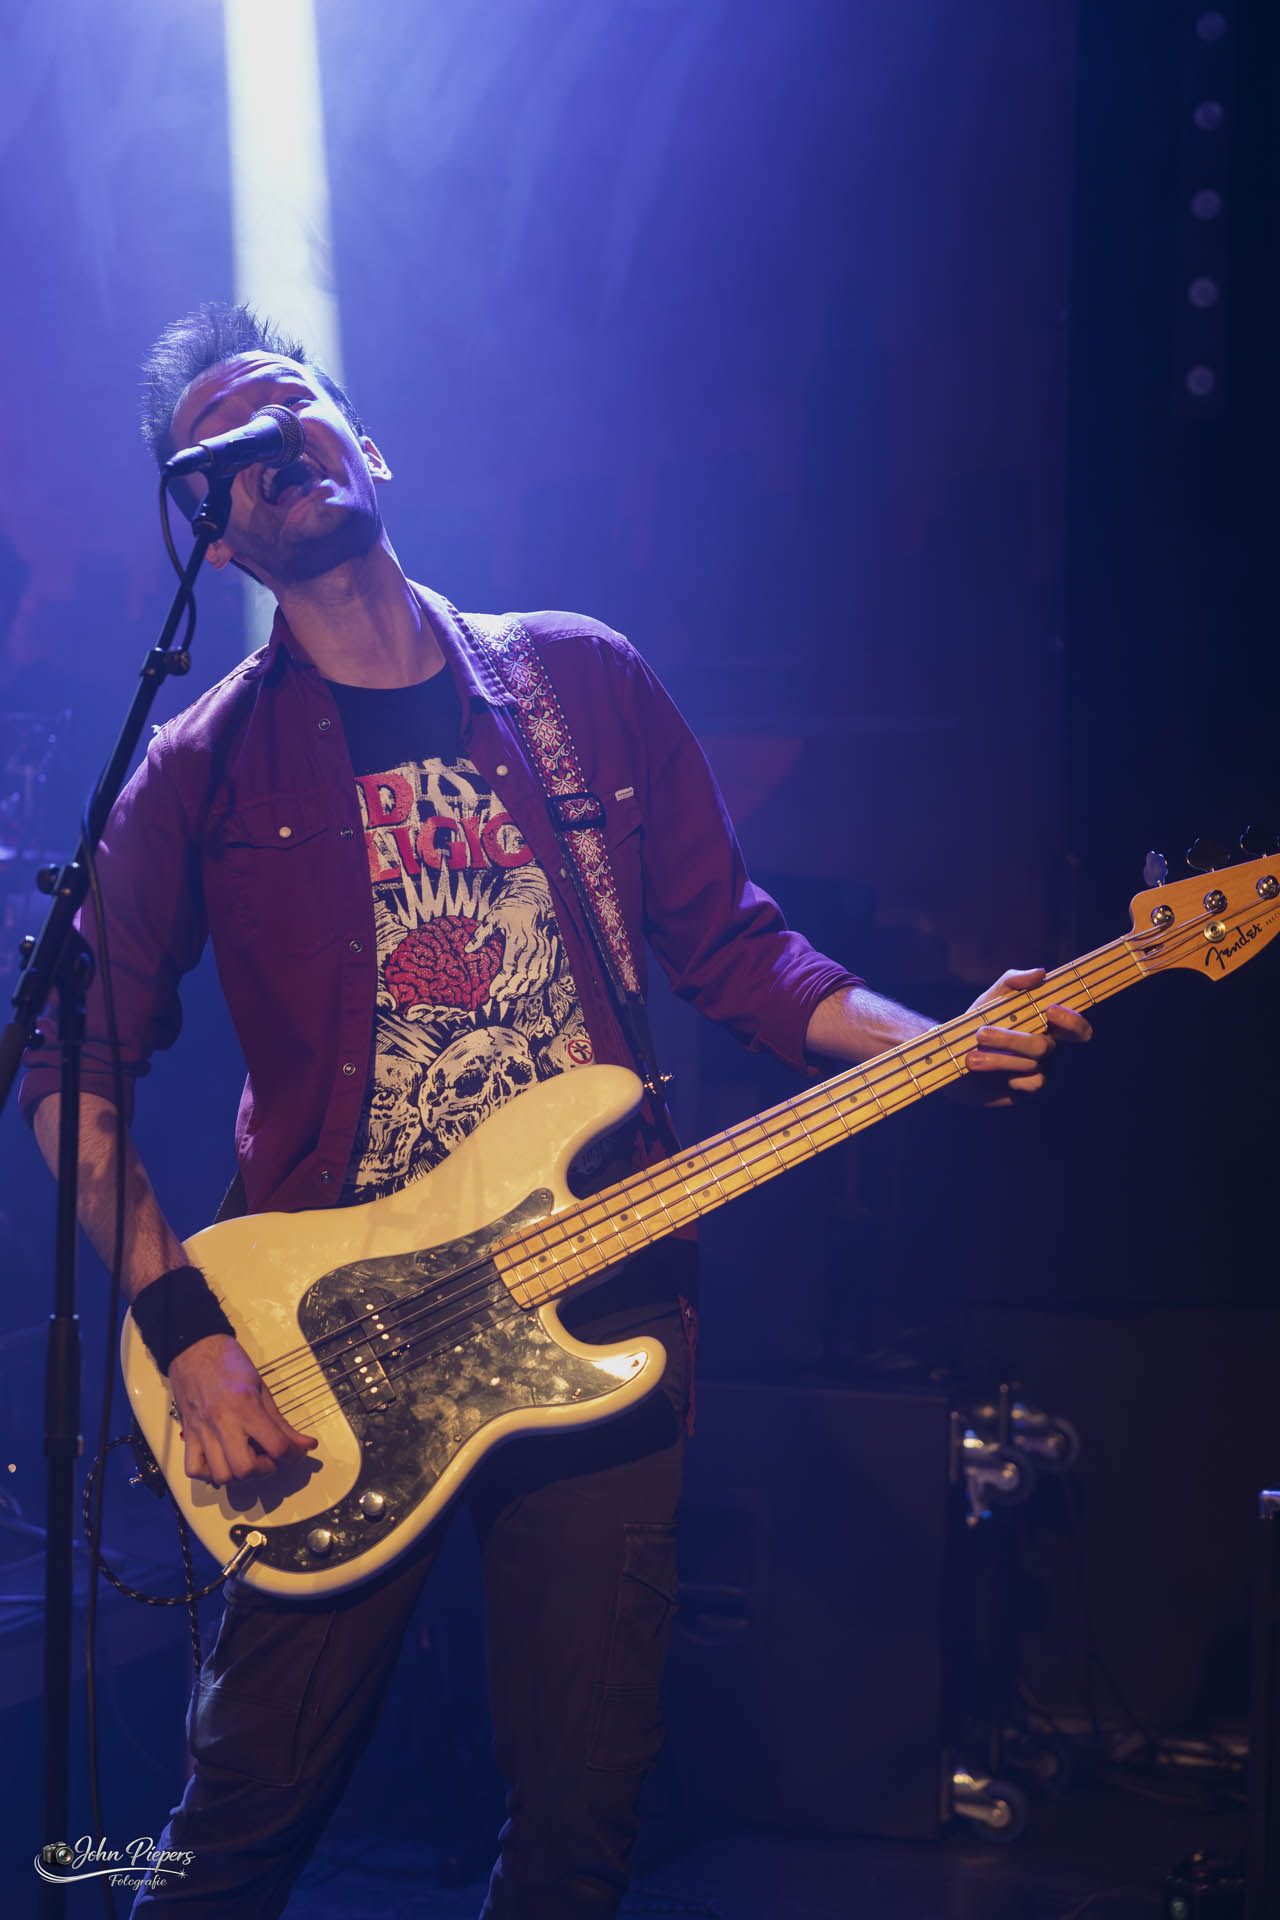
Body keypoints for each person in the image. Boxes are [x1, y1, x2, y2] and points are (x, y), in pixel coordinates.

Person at [20, 304, 1091, 1917]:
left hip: (601, 1305)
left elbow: (742, 952)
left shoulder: (576, 682)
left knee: (580, 1836)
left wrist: (935, 1039)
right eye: (223, 452)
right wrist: (188, 1337)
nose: (272, 448)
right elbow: (69, 1067)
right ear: (213, 536)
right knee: (233, 1840)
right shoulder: (201, 765)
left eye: (291, 407)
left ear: (368, 447)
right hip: (331, 1355)